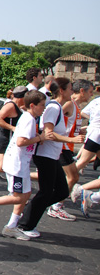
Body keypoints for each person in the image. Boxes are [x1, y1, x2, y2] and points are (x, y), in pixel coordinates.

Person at [0, 90, 47, 241]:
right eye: (42, 105)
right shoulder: (29, 119)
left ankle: (11, 226)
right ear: (32, 105)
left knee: (25, 195)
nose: (44, 108)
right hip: (17, 163)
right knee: (18, 197)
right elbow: (21, 142)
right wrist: (39, 138)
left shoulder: (28, 117)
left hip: (20, 162)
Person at [17, 78, 85, 237]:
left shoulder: (59, 108)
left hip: (53, 156)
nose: (72, 92)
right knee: (46, 192)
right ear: (61, 90)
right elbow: (48, 133)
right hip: (45, 155)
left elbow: (57, 131)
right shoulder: (54, 108)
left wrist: (74, 134)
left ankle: (29, 212)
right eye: (69, 89)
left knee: (61, 191)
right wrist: (71, 140)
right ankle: (25, 224)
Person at [47, 79, 94, 221]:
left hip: (68, 146)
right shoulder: (69, 104)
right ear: (82, 91)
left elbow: (70, 126)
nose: (91, 95)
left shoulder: (76, 106)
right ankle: (55, 206)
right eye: (90, 92)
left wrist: (79, 133)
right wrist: (68, 138)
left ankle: (54, 205)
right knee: (72, 177)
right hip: (63, 146)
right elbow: (52, 122)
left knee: (66, 177)